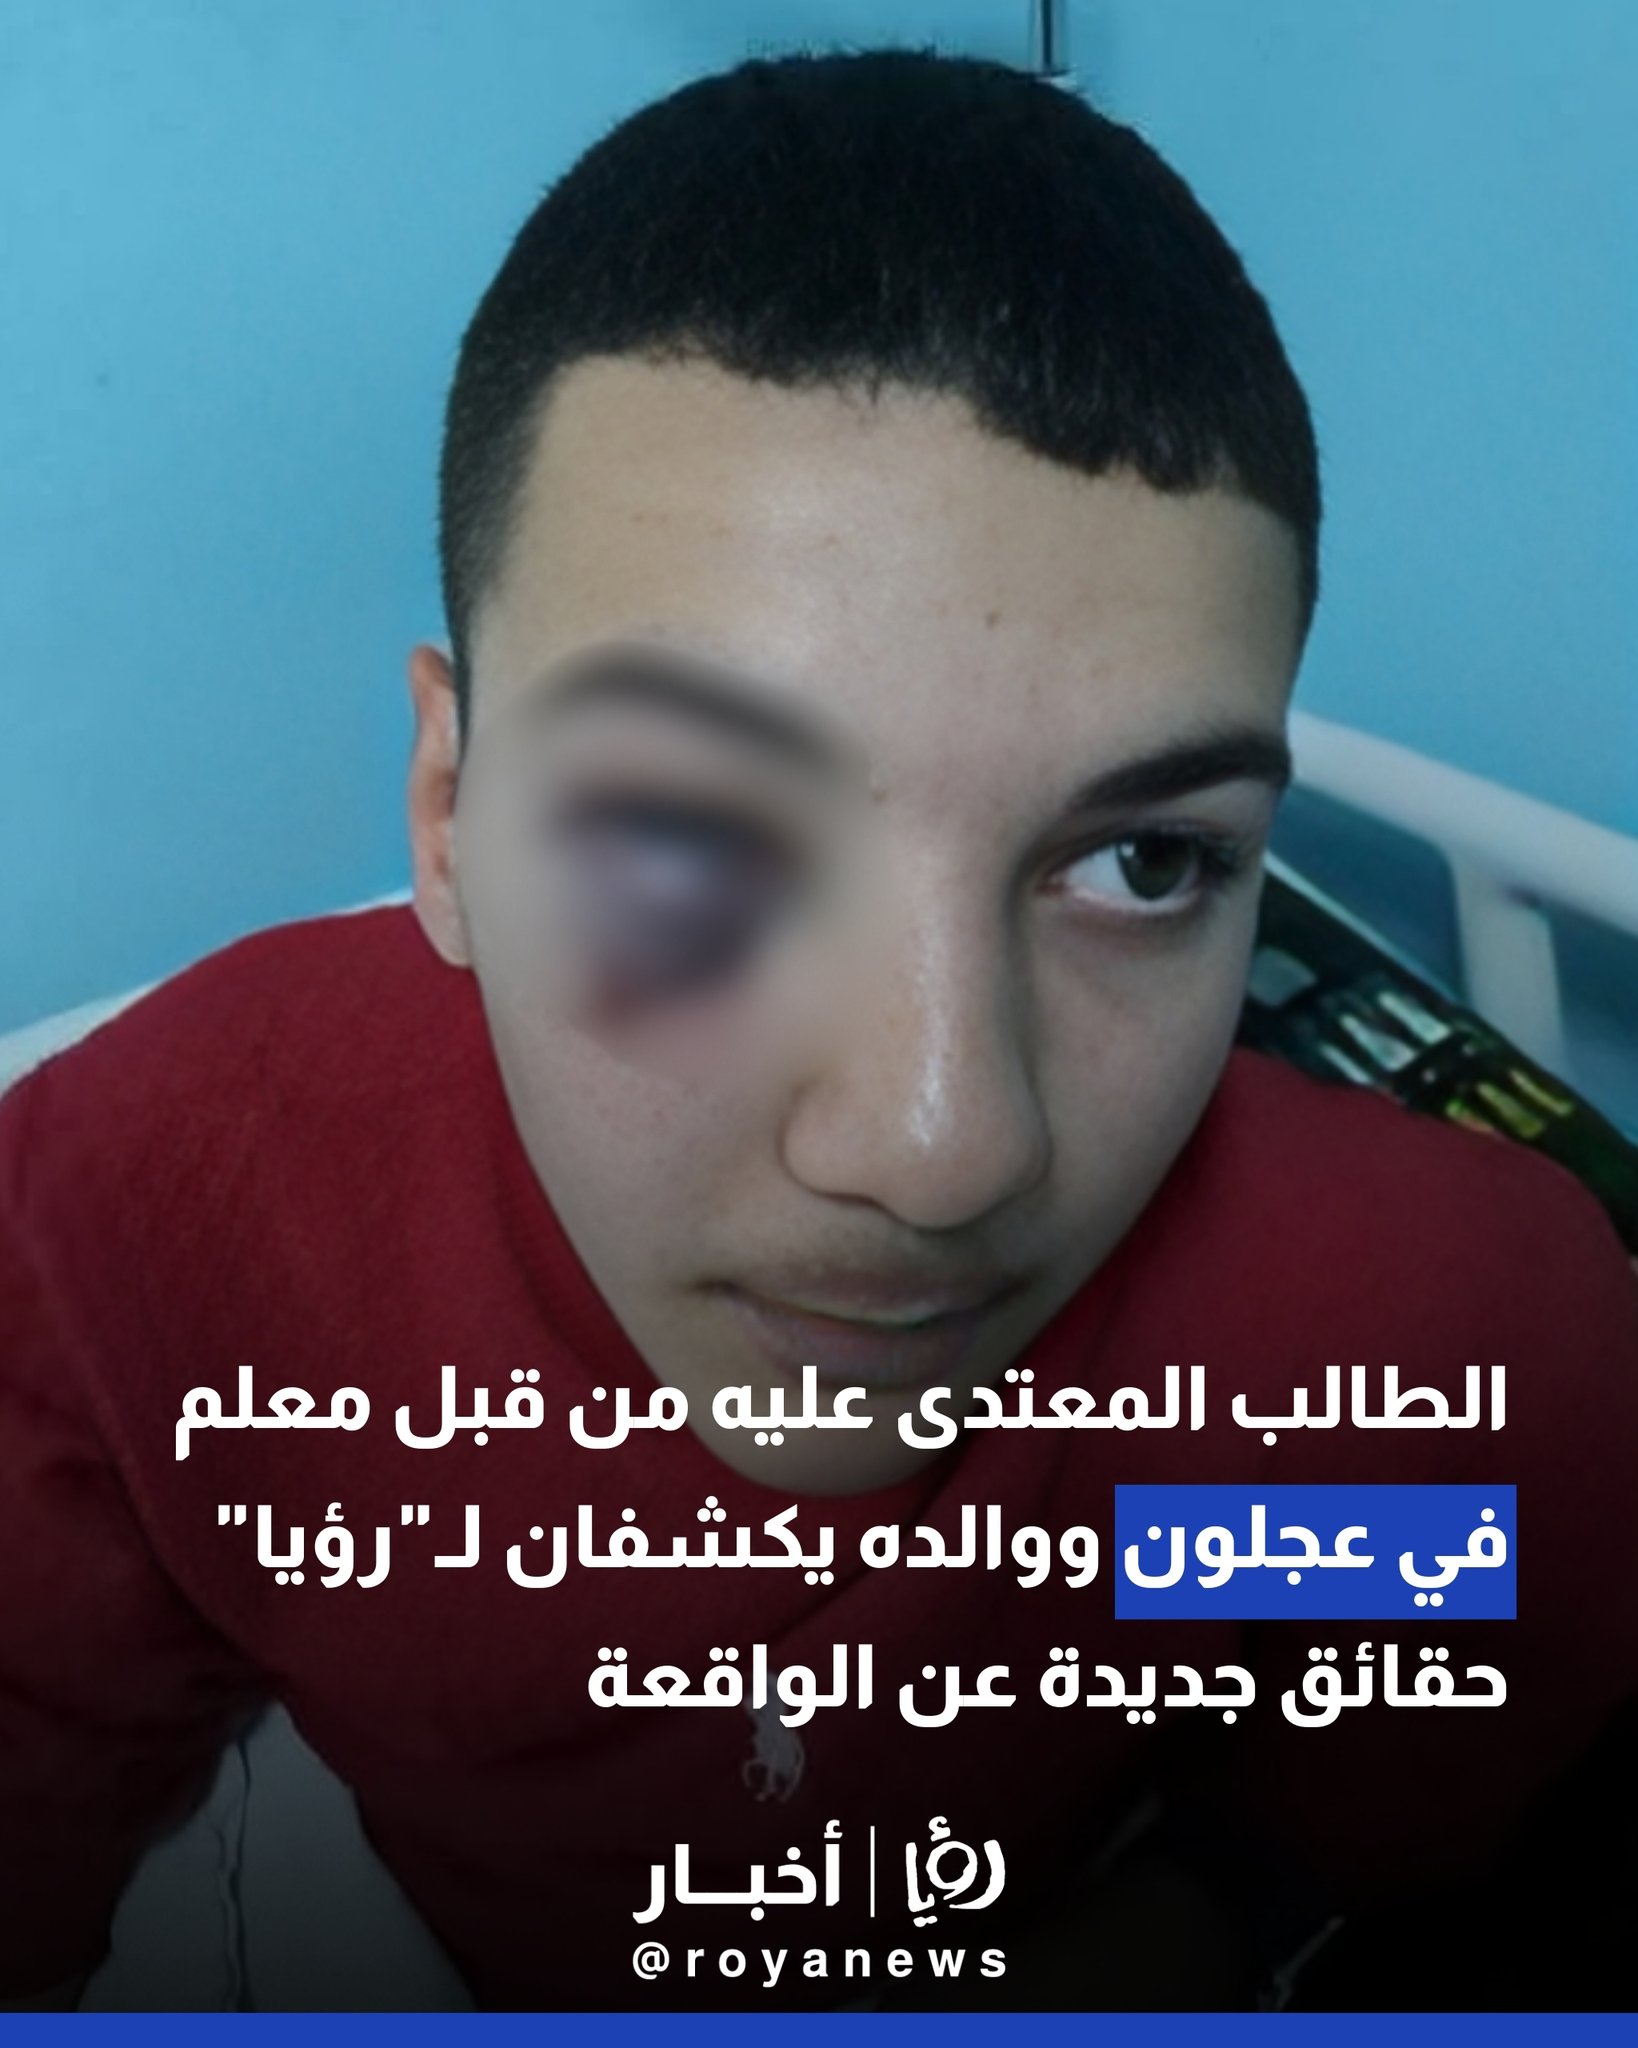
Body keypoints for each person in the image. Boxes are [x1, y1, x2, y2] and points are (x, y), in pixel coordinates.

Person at [2, 47, 1635, 2013]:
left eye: (1142, 862)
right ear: (448, 812)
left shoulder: (1385, 1358)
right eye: (689, 835)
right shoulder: (145, 1244)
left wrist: (1182, 1922)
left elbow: (1388, 1709)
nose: (943, 1151)